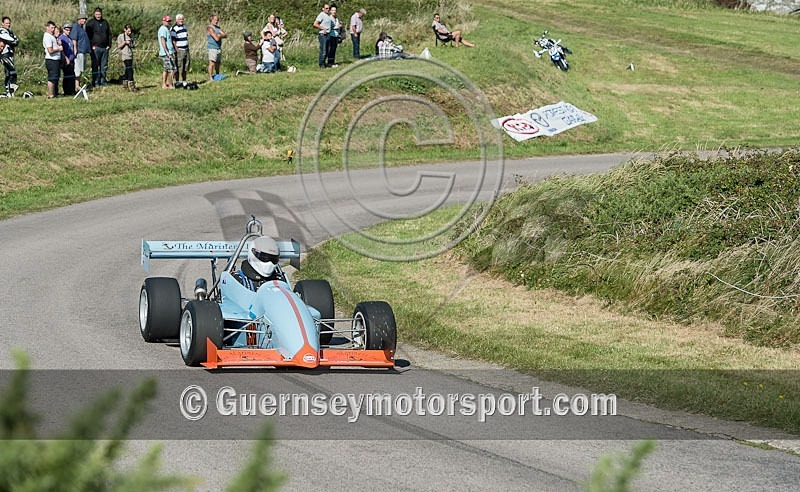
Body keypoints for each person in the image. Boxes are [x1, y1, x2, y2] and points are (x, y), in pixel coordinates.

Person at [85, 7, 112, 87]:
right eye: (96, 14)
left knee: (104, 65)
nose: (98, 16)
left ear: (101, 14)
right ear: (94, 14)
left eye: (99, 14)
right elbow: (88, 36)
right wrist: (91, 46)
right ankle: (95, 81)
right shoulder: (90, 23)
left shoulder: (105, 22)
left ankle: (103, 81)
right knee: (95, 65)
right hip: (95, 48)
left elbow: (109, 34)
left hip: (105, 48)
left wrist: (109, 45)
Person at [69, 13, 90, 93]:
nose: (84, 20)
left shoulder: (82, 28)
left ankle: (78, 85)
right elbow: (74, 39)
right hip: (79, 51)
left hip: (83, 51)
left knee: (81, 70)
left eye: (85, 19)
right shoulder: (75, 27)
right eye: (83, 19)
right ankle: (76, 86)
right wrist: (75, 49)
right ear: (79, 19)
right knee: (77, 70)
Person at [0, 16, 19, 97]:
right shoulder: (2, 31)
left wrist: (13, 41)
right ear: (2, 23)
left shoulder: (10, 31)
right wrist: (13, 41)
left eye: (9, 23)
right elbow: (11, 40)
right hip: (4, 55)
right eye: (6, 23)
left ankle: (10, 91)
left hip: (10, 54)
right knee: (11, 72)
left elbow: (16, 41)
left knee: (9, 73)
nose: (8, 25)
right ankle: (9, 90)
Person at [43, 21, 62, 98]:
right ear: (47, 27)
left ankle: (55, 93)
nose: (53, 29)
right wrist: (58, 49)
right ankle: (51, 94)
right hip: (51, 60)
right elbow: (50, 50)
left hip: (56, 59)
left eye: (54, 28)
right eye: (51, 28)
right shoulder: (47, 36)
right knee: (52, 77)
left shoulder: (51, 36)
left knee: (56, 77)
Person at [117, 23, 137, 92]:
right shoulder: (121, 36)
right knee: (130, 70)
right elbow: (119, 46)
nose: (129, 32)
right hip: (125, 55)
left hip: (130, 55)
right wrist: (125, 42)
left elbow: (133, 46)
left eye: (130, 31)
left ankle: (124, 82)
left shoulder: (131, 36)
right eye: (128, 31)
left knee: (127, 70)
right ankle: (132, 84)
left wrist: (132, 44)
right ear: (124, 30)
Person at [171, 14, 190, 87]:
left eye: (182, 19)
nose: (181, 20)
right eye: (179, 19)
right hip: (179, 50)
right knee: (179, 66)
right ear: (176, 20)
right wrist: (177, 50)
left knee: (186, 66)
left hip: (186, 49)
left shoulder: (184, 26)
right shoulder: (174, 28)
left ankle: (184, 81)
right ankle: (177, 81)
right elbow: (173, 40)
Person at [158, 16, 176, 89]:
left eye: (169, 21)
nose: (169, 22)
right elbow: (162, 40)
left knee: (166, 69)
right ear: (163, 21)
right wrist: (167, 52)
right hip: (166, 53)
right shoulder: (163, 29)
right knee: (172, 69)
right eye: (167, 21)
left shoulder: (167, 29)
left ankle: (164, 84)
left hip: (169, 52)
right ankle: (170, 85)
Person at [206, 14, 226, 81]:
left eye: (217, 20)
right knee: (212, 63)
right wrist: (220, 35)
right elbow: (216, 38)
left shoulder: (218, 28)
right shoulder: (210, 28)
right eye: (215, 20)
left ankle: (217, 75)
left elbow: (225, 35)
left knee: (218, 62)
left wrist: (219, 35)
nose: (216, 21)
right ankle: (210, 77)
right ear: (211, 20)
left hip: (218, 47)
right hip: (212, 48)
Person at [58, 24, 76, 96]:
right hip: (66, 60)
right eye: (67, 30)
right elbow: (61, 50)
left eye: (70, 30)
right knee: (67, 76)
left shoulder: (69, 38)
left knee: (72, 76)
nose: (69, 31)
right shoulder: (61, 38)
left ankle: (72, 90)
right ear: (63, 30)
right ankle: (67, 91)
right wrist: (66, 58)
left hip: (72, 59)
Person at [313, 4, 331, 69]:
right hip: (323, 34)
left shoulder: (328, 16)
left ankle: (324, 62)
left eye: (328, 8)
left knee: (328, 49)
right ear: (323, 8)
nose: (328, 9)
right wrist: (322, 28)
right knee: (323, 50)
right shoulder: (321, 15)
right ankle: (321, 64)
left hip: (328, 34)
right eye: (326, 8)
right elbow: (315, 24)